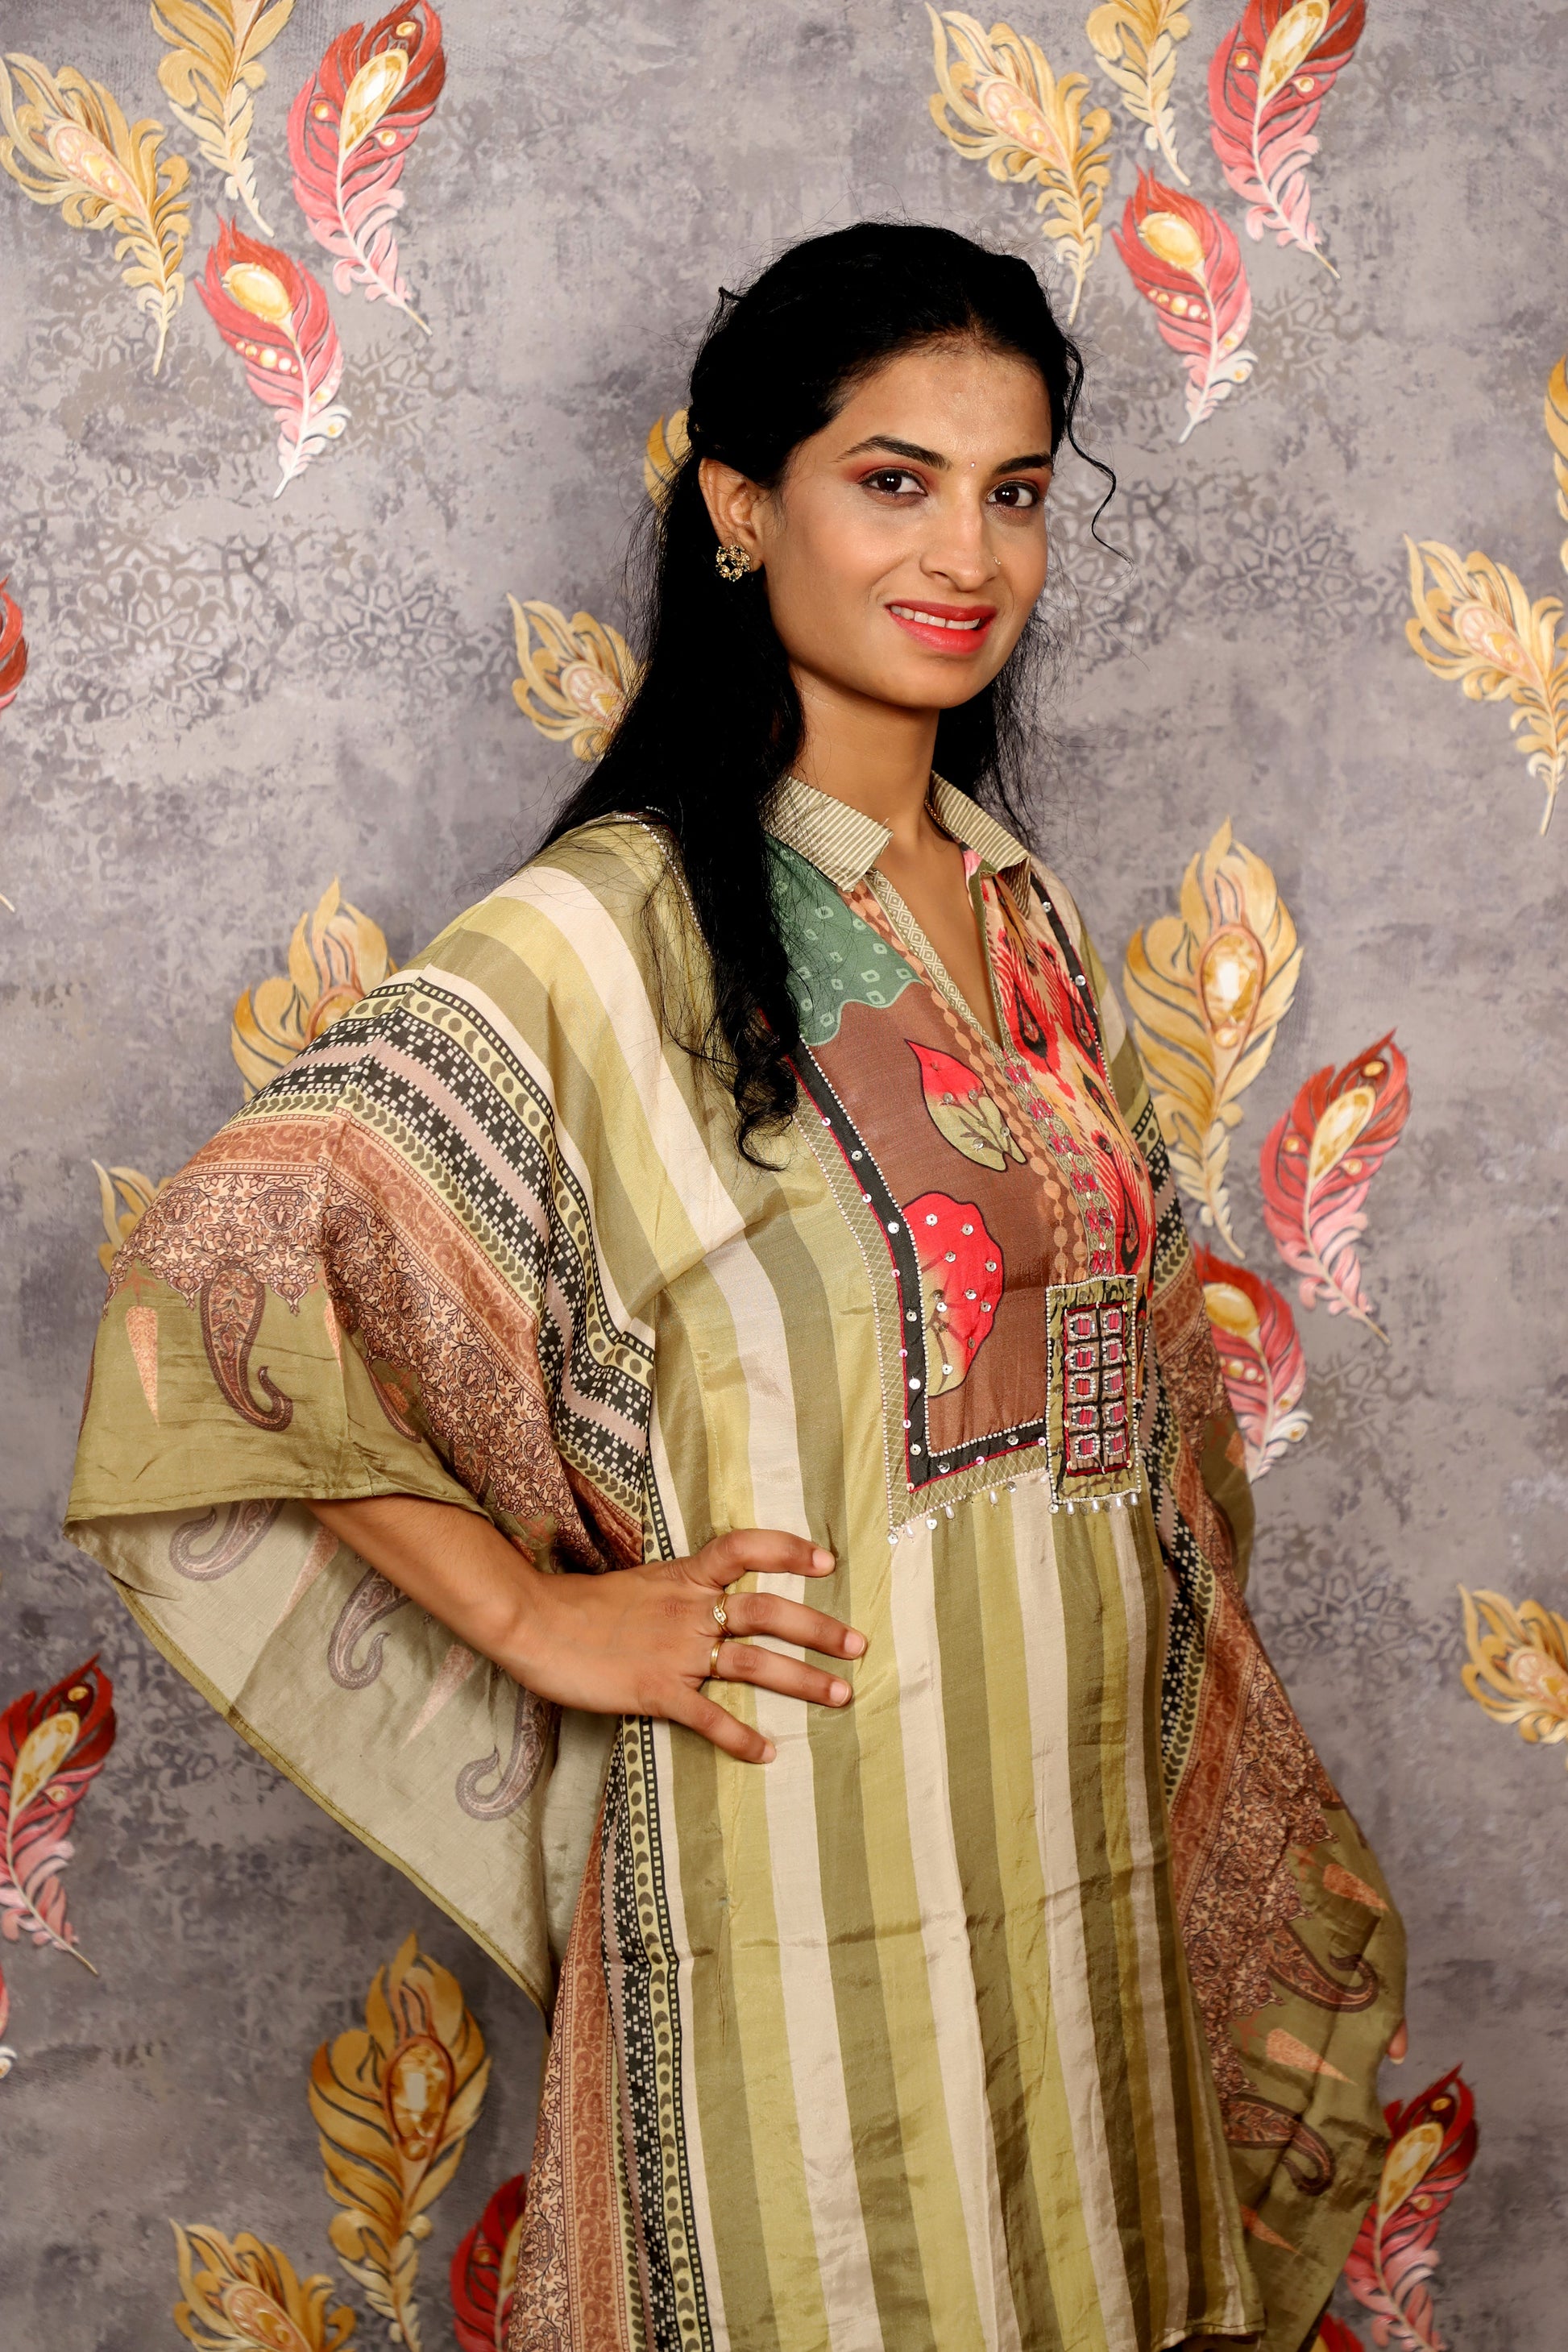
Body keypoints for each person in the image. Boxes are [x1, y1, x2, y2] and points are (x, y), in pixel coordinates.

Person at [67, 223, 1403, 2352]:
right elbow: (224, 1280)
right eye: (893, 480)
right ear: (741, 507)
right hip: (801, 1865)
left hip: (1076, 1850)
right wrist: (536, 1618)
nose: (965, 551)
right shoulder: (607, 935)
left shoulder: (1025, 914)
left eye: (1014, 490)